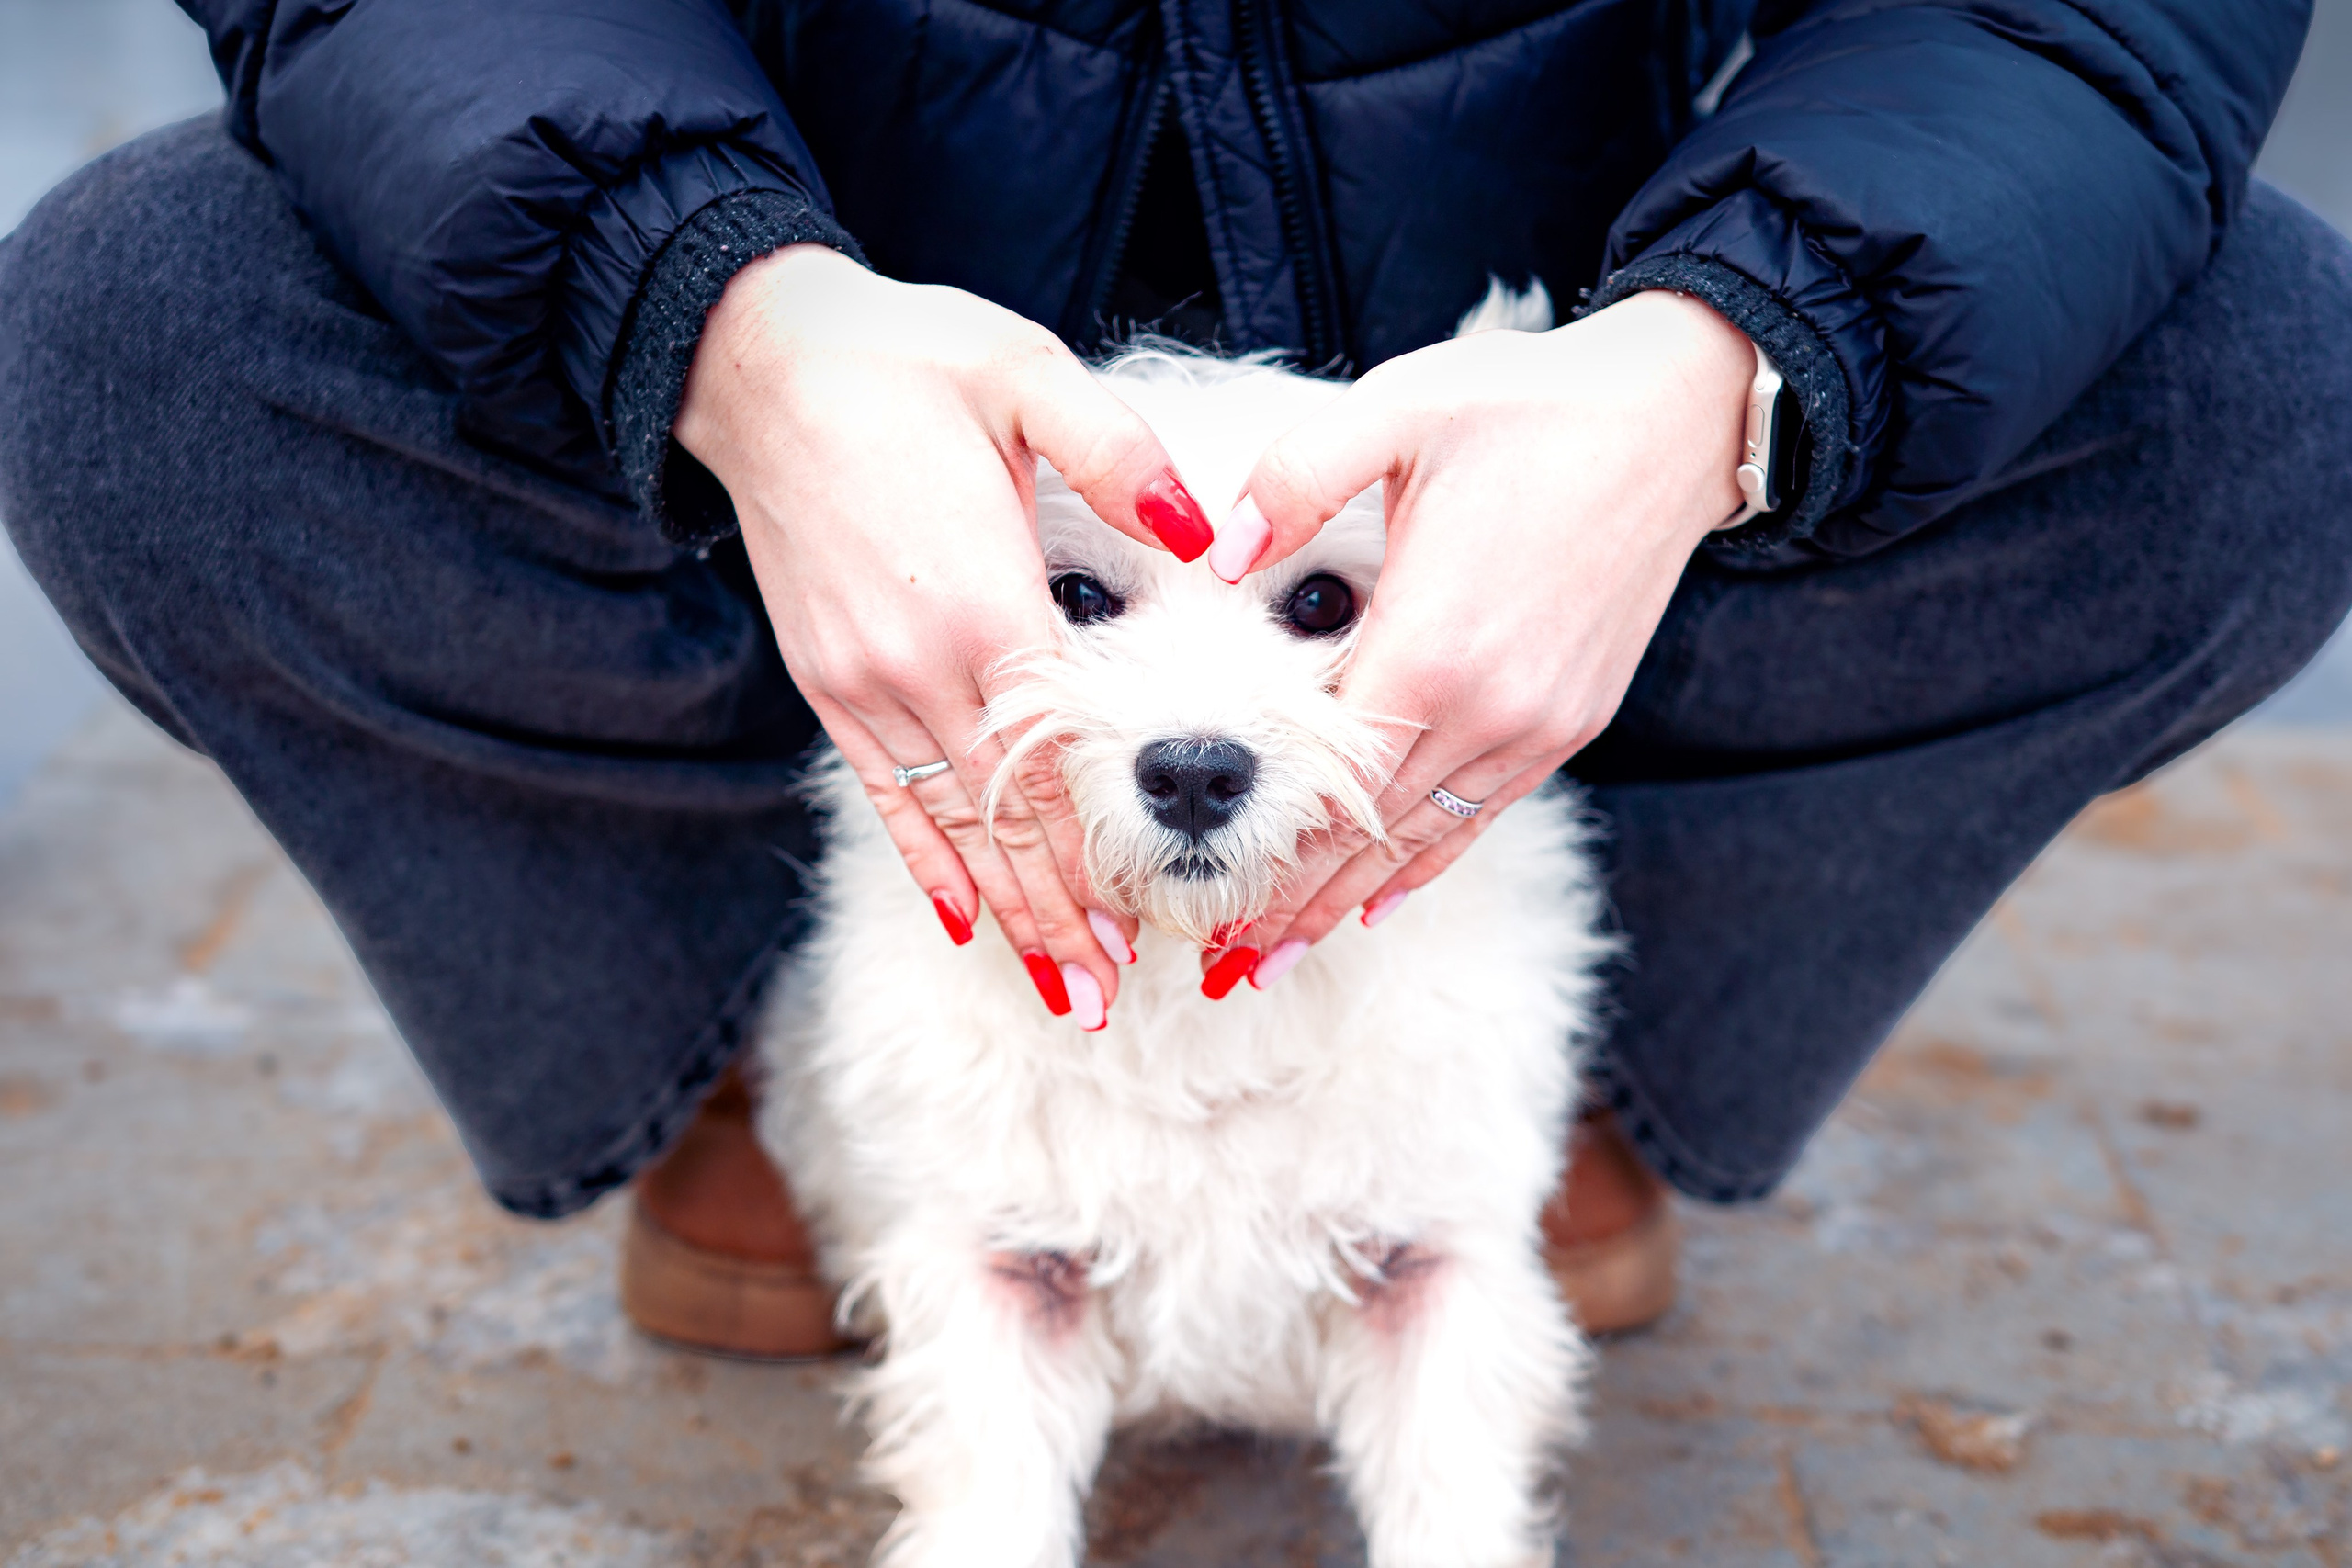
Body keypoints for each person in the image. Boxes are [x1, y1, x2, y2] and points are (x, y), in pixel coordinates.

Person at [3, 0, 2346, 1358]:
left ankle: (1533, 1078)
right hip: (802, 402)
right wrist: (708, 301)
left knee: (2258, 375)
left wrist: (1729, 358)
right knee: (146, 334)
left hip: (1552, 380)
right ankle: (778, 1044)